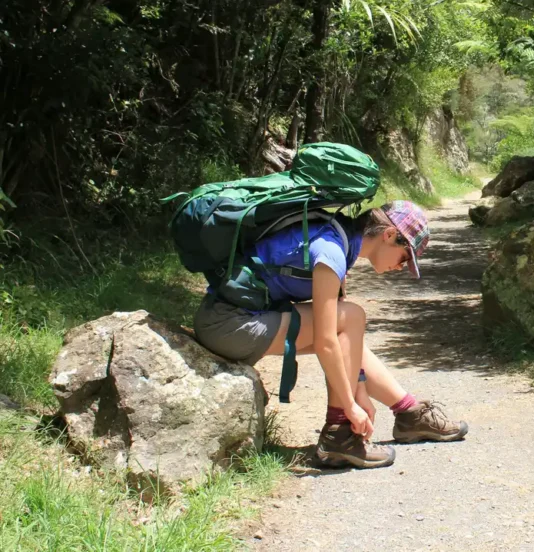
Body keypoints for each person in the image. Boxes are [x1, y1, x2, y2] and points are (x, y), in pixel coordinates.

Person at [192, 200, 468, 469]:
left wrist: (360, 391)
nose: (400, 267)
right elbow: (326, 342)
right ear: (389, 235)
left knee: (348, 320)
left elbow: (346, 341)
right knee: (352, 316)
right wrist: (351, 405)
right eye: (405, 257)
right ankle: (339, 435)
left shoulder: (339, 237)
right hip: (230, 325)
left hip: (230, 319)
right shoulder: (331, 252)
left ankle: (409, 413)